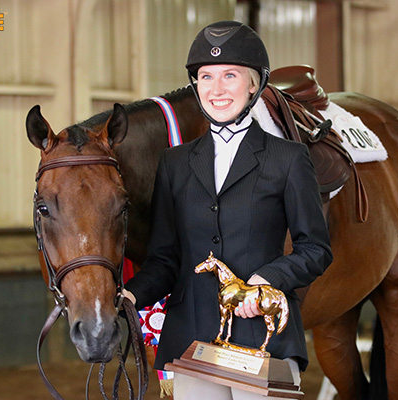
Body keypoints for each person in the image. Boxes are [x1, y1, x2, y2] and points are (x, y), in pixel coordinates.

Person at [123, 20, 332, 399]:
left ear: (254, 84)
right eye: (206, 77)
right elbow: (165, 260)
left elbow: (315, 249)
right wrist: (128, 296)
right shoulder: (173, 163)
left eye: (230, 76)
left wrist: (266, 279)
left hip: (262, 340)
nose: (216, 90)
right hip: (191, 341)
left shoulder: (288, 159)